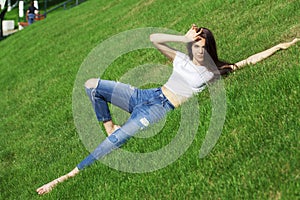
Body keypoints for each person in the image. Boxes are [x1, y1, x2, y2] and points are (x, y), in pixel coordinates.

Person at [36, 24, 299, 195]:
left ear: (210, 48)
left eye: (203, 46)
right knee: (91, 85)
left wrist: (279, 46)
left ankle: (67, 176)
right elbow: (154, 38)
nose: (199, 50)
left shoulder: (213, 72)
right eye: (195, 45)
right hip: (146, 95)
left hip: (158, 110)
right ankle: (110, 127)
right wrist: (182, 37)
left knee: (117, 142)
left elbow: (248, 61)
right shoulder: (181, 57)